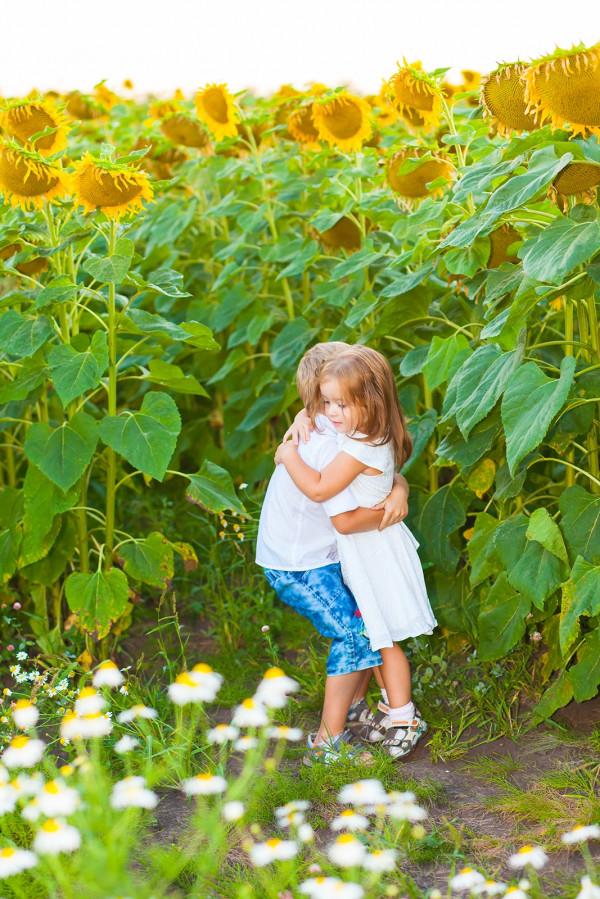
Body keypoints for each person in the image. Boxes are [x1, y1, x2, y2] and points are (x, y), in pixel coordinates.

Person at [274, 345, 437, 760]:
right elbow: (377, 472)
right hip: (335, 555)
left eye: (339, 403)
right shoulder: (342, 433)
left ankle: (399, 714)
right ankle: (383, 710)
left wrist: (287, 452)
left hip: (365, 549)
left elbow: (340, 506)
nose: (329, 412)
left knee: (376, 634)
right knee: (371, 632)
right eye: (325, 403)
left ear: (369, 401)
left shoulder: (342, 441)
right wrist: (397, 490)